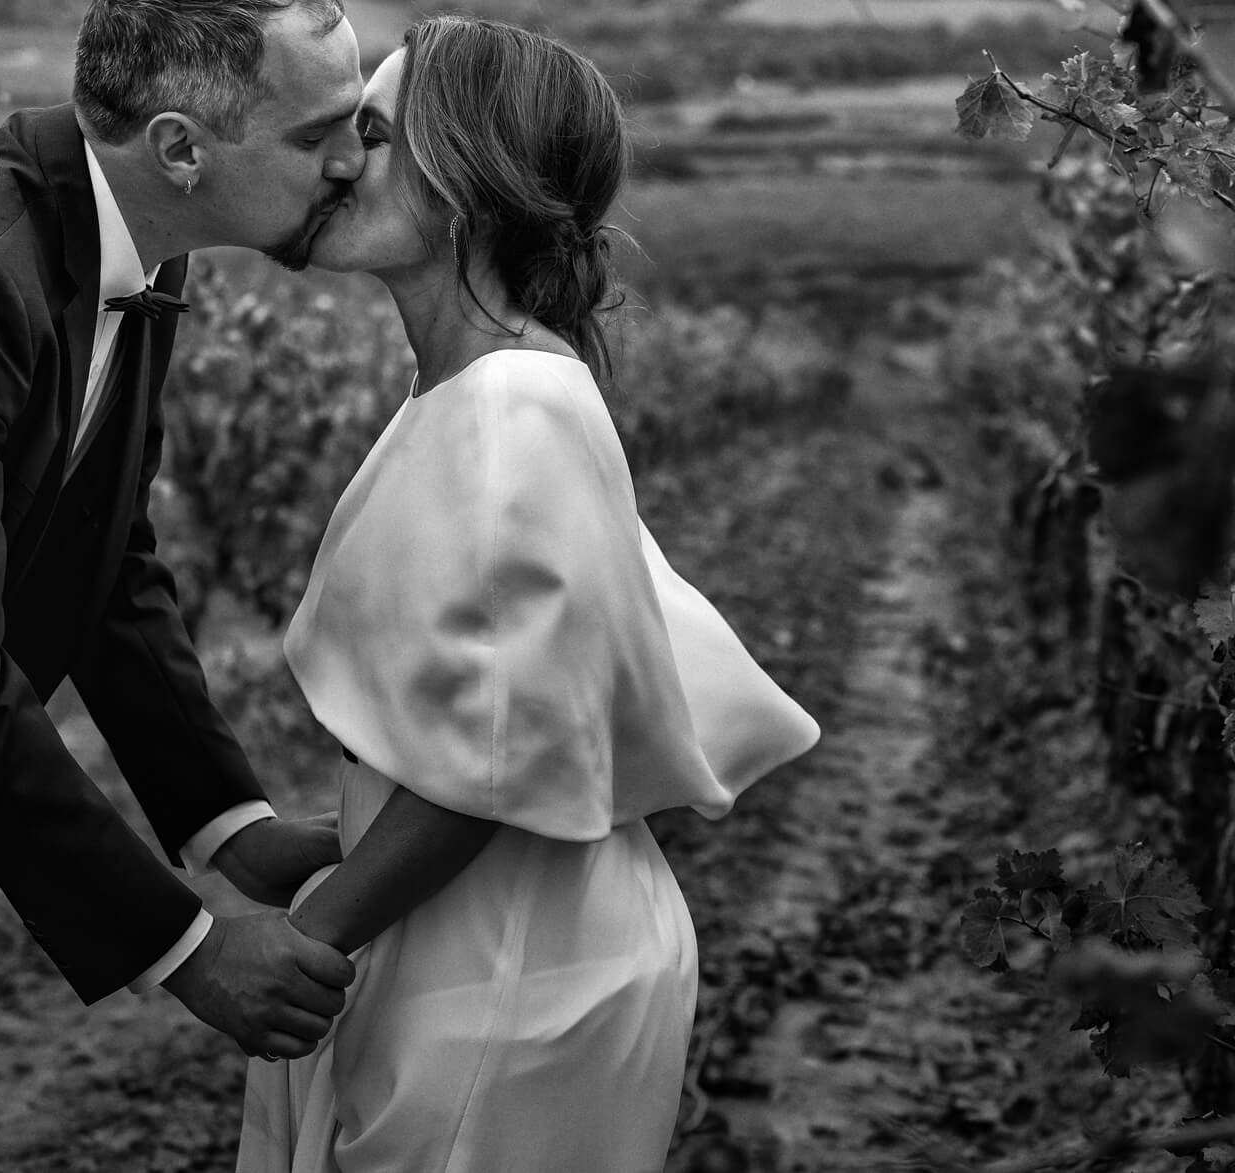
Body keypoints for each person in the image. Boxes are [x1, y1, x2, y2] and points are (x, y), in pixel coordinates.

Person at [234, 15, 821, 1172]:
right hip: (496, 941)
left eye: (373, 134)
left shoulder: (511, 405)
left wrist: (313, 937)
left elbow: (502, 752)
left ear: (471, 175)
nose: (339, 163)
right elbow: (522, 688)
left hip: (508, 976)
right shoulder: (478, 389)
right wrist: (337, 836)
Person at [0, 0, 368, 1062]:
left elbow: (105, 552)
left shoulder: (137, 242)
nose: (354, 164)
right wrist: (188, 946)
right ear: (180, 147)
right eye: (319, 134)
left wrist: (231, 824)